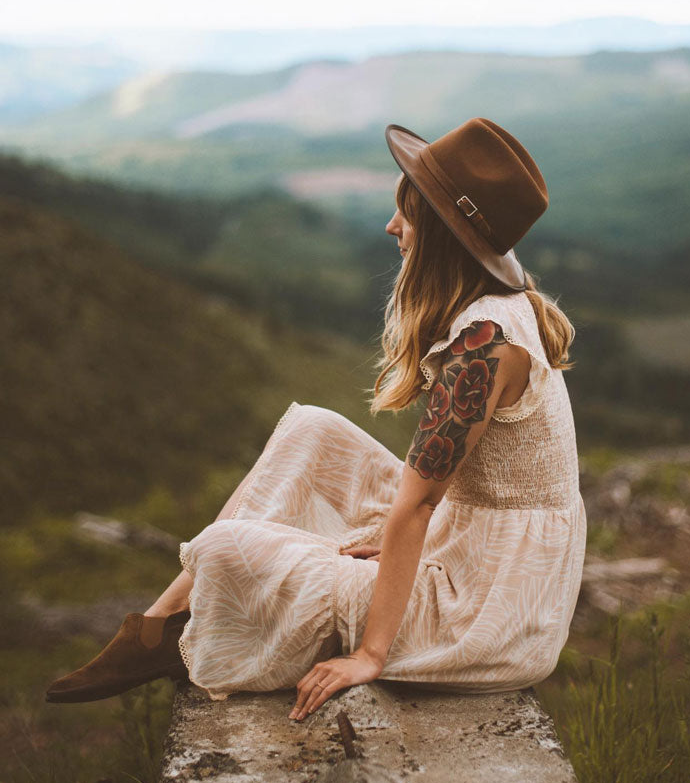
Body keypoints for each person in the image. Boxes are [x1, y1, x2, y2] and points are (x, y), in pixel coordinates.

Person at [46, 117, 586, 724]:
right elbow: (436, 497)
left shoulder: (485, 342)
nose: (392, 228)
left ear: (438, 232)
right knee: (314, 432)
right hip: (475, 547)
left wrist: (370, 654)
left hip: (484, 611)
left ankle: (159, 637)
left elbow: (417, 505)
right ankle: (156, 629)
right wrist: (392, 540)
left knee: (226, 551)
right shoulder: (503, 311)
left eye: (406, 214)